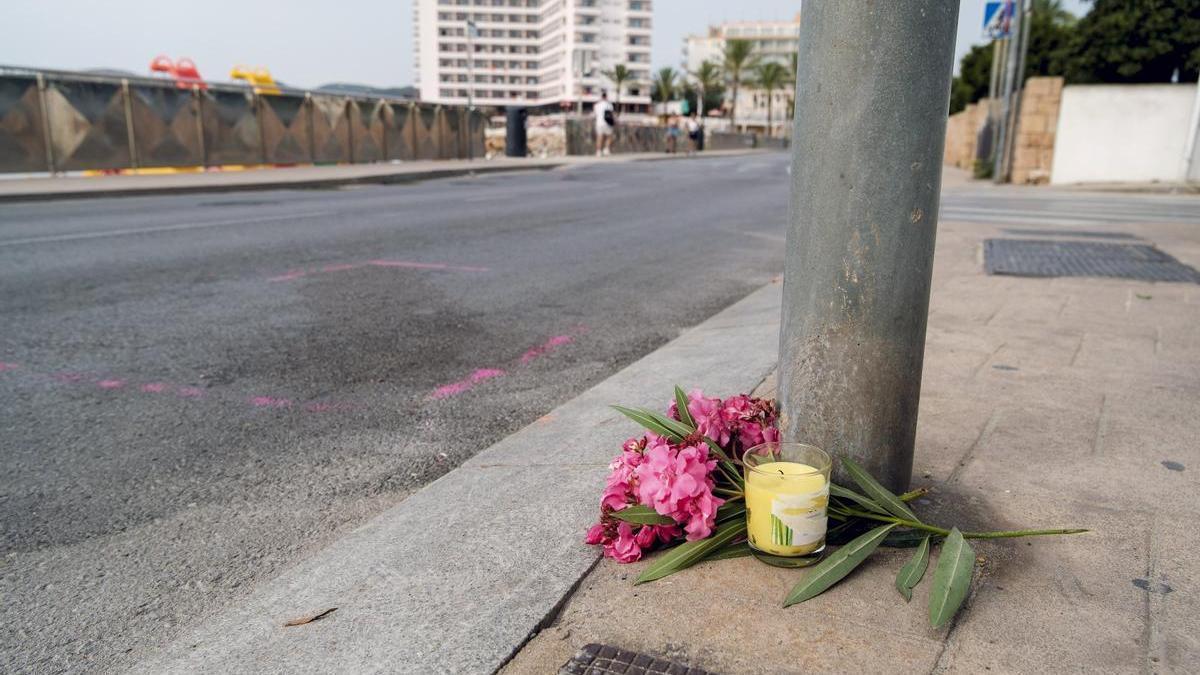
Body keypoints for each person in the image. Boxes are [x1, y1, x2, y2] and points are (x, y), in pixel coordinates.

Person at [594, 91, 615, 156]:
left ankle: (598, 151)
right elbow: (611, 114)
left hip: (599, 123)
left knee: (599, 137)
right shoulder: (609, 105)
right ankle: (606, 149)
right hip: (607, 123)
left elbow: (595, 114)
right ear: (606, 97)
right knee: (609, 136)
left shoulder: (597, 105)